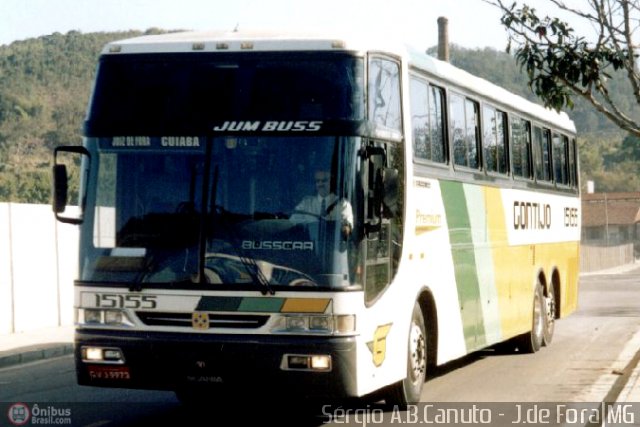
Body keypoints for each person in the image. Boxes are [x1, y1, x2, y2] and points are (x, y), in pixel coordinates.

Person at [290, 169, 353, 237]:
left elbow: (347, 227)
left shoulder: (343, 204)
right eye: (317, 181)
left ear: (331, 182)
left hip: (333, 245)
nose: (320, 184)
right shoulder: (306, 203)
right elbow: (292, 221)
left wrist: (344, 228)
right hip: (310, 243)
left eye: (324, 181)